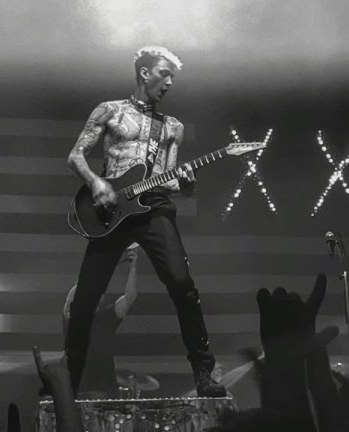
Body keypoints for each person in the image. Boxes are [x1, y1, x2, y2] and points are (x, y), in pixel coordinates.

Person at [64, 46, 225, 397]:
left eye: (172, 77)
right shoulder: (109, 111)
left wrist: (187, 186)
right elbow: (75, 156)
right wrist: (96, 183)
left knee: (182, 284)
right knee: (86, 298)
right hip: (110, 212)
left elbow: (168, 178)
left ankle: (203, 373)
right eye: (164, 74)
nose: (169, 82)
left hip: (153, 208)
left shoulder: (172, 127)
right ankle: (68, 381)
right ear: (144, 72)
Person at [62, 243, 140, 397]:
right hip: (79, 389)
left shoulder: (108, 316)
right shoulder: (73, 316)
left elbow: (130, 297)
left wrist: (133, 268)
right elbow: (71, 297)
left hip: (105, 388)